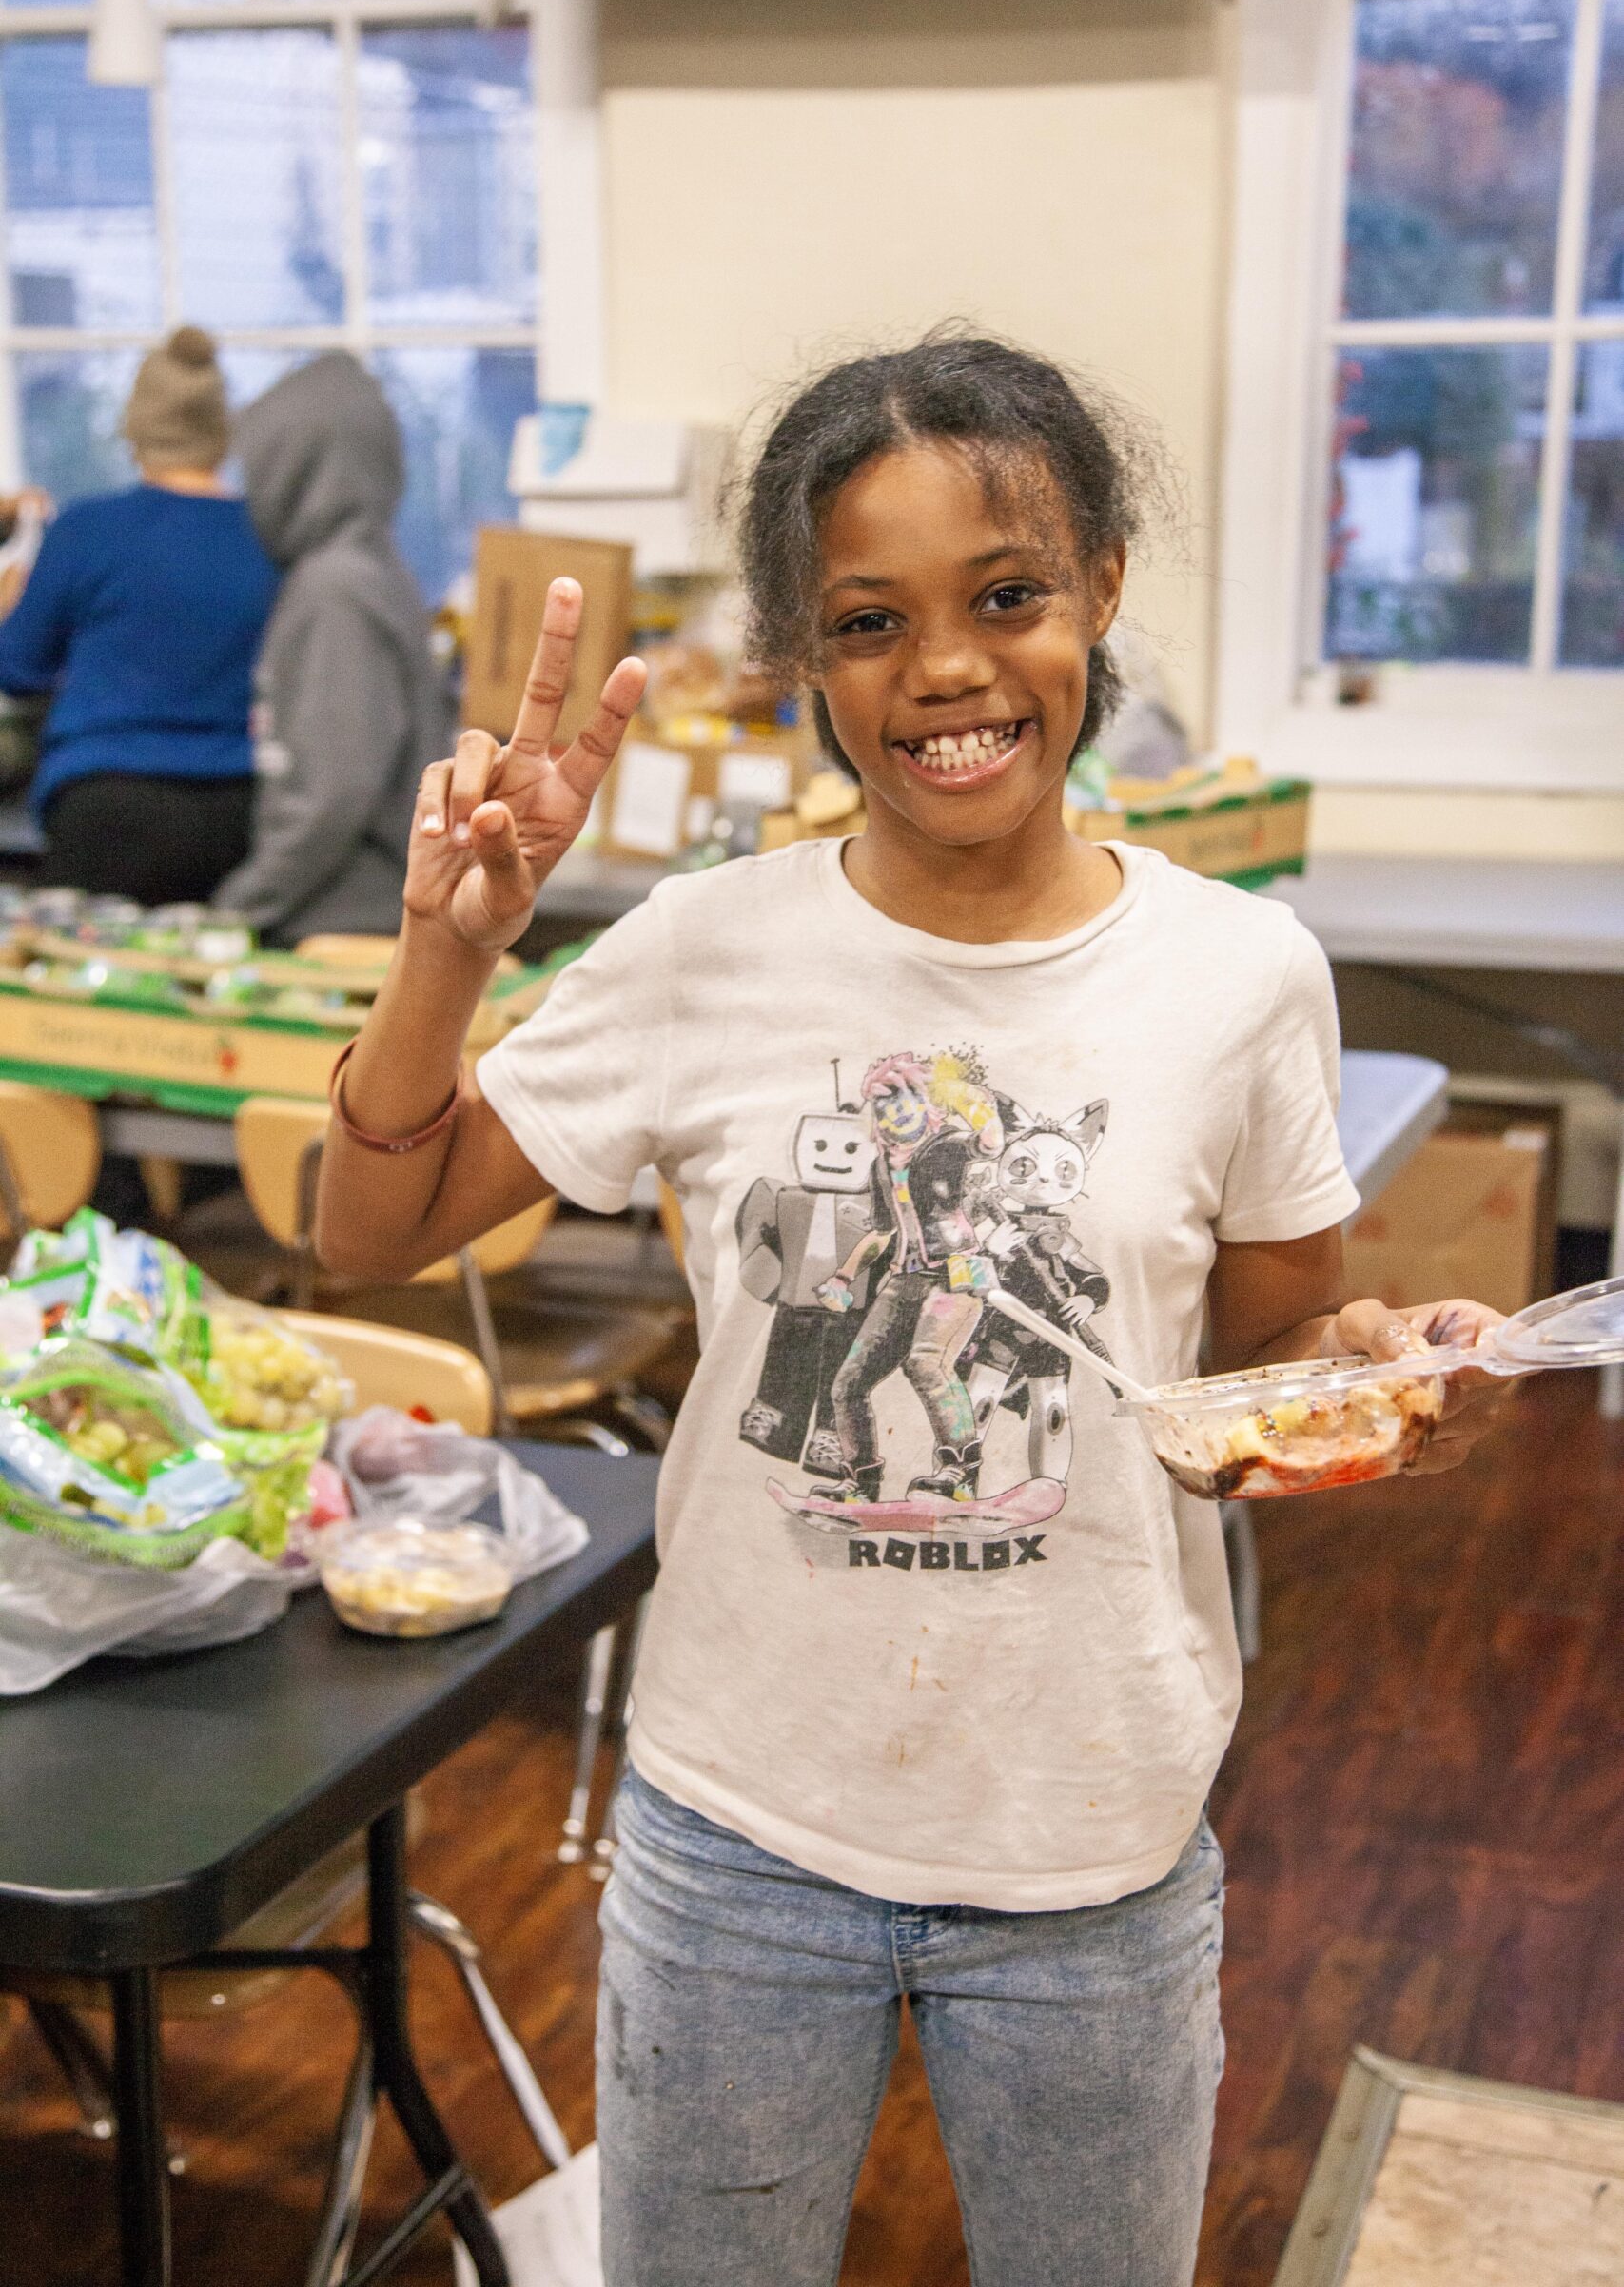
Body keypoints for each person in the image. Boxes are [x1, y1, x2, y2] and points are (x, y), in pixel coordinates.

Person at [315, 334, 1510, 2286]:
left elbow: (1263, 1377)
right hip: (736, 1832)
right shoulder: (705, 946)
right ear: (804, 653)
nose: (943, 670)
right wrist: (444, 955)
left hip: (1094, 1846)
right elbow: (373, 1229)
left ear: (1101, 586)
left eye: (1006, 595)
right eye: (868, 620)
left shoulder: (1238, 974)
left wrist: (1367, 1378)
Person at [0, 326, 277, 902]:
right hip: (239, 812)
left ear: (135, 429)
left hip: (104, 805)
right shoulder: (271, 539)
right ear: (222, 434)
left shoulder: (85, 530)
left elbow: (16, 668)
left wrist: (14, 594)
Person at [213, 351, 452, 946]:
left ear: (295, 469)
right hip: (368, 913)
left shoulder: (333, 591)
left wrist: (237, 908)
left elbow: (333, 791)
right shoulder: (374, 569)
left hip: (344, 922)